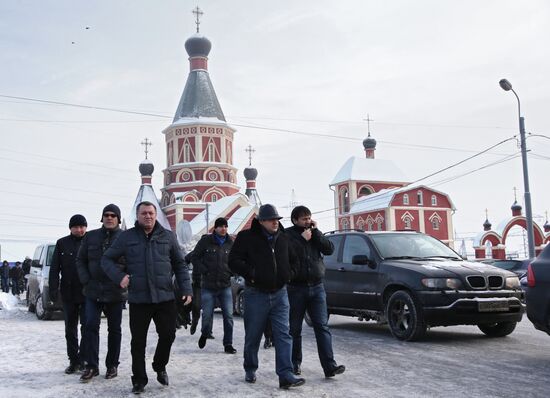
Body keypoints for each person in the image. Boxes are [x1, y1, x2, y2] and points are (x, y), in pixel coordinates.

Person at [101, 201, 192, 395]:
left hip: (165, 297)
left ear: (156, 214)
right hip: (139, 299)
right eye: (144, 213)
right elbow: (106, 259)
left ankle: (159, 365)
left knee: (168, 335)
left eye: (151, 213)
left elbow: (180, 264)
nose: (148, 216)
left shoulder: (168, 237)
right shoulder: (127, 238)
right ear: (138, 215)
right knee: (138, 342)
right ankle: (139, 380)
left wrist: (187, 289)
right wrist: (120, 277)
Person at [228, 204, 305, 389]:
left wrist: (289, 275)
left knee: (284, 335)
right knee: (253, 335)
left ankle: (285, 375)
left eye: (277, 219)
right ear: (261, 221)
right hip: (256, 294)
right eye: (271, 219)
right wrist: (252, 273)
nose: (275, 222)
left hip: (280, 294)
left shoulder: (283, 238)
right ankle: (250, 368)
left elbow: (295, 260)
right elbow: (233, 261)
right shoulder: (247, 237)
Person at [286, 205, 345, 378]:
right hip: (296, 288)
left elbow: (329, 249)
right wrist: (302, 240)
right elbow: (287, 256)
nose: (307, 221)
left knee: (322, 327)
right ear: (295, 220)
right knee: (294, 329)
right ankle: (294, 364)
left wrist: (317, 232)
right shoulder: (288, 236)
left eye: (309, 217)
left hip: (317, 287)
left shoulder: (315, 233)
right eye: (304, 218)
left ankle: (330, 366)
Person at [76, 204, 126, 383]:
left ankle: (112, 365)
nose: (110, 218)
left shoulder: (125, 238)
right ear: (102, 217)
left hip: (115, 291)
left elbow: (131, 263)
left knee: (115, 330)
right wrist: (86, 280)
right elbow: (80, 260)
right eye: (106, 215)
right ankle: (91, 366)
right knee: (90, 327)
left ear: (118, 219)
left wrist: (124, 280)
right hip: (93, 290)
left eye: (113, 215)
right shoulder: (91, 236)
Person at [49, 214, 88, 374]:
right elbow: (54, 269)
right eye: (76, 227)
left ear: (86, 227)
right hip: (68, 293)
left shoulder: (90, 241)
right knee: (70, 329)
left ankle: (85, 358)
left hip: (87, 293)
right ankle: (74, 361)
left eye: (82, 226)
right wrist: (53, 289)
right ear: (70, 228)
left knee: (87, 328)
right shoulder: (61, 243)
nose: (79, 230)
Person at [192, 217, 236, 354]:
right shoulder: (206, 241)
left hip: (225, 286)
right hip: (208, 286)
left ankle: (228, 344)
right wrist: (204, 270)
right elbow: (194, 257)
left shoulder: (230, 243)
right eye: (221, 226)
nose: (224, 229)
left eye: (225, 226)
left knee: (228, 316)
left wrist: (231, 272)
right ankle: (205, 333)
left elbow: (236, 259)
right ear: (215, 228)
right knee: (207, 315)